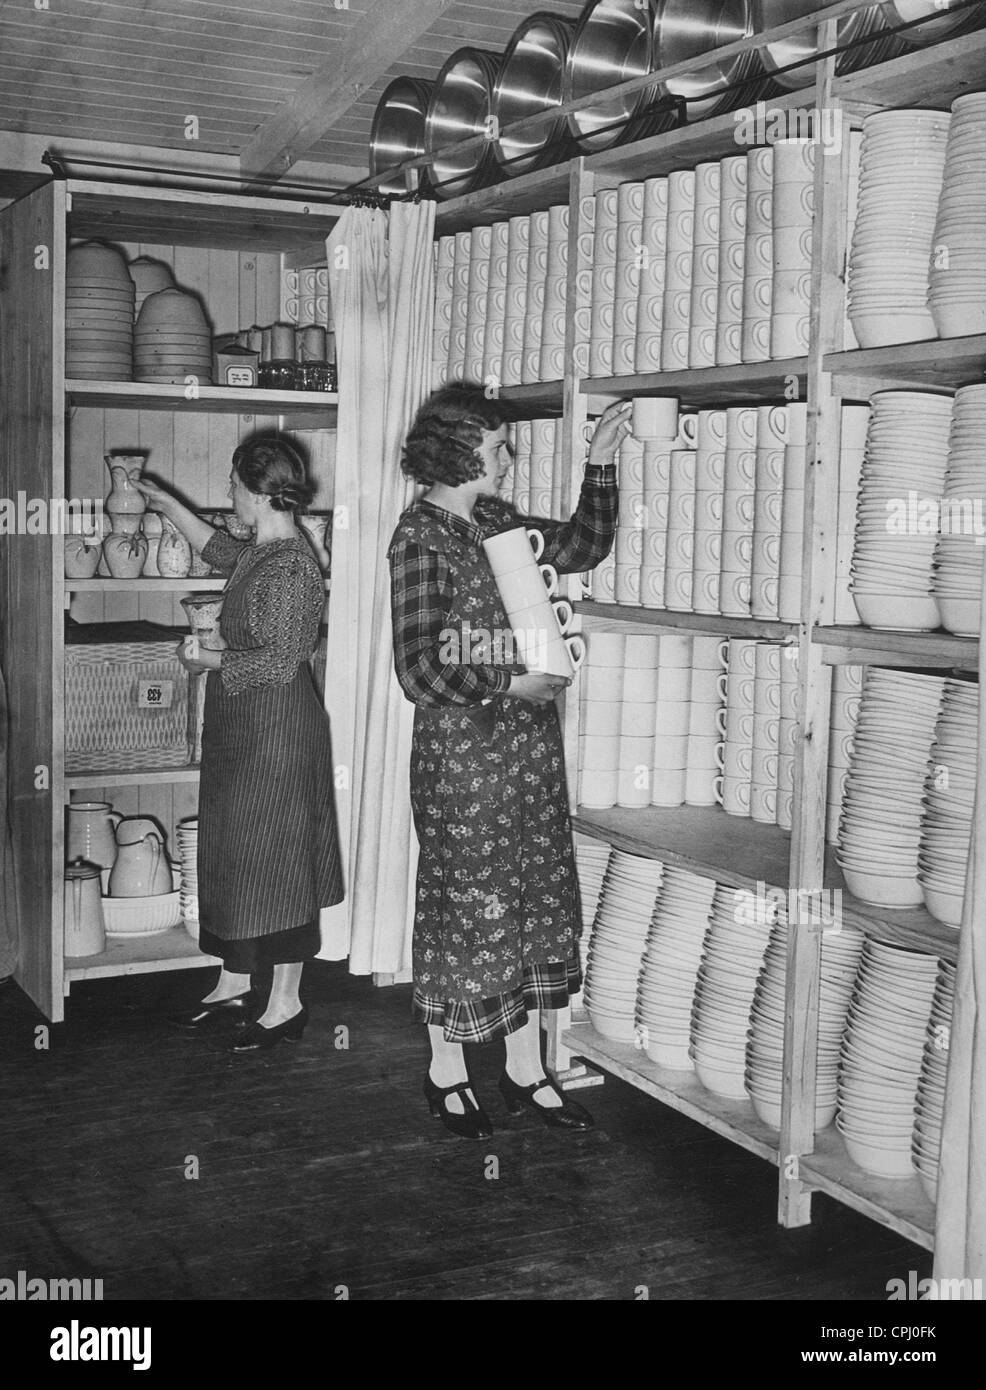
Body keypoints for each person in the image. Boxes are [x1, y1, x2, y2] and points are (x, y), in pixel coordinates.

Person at [388, 385, 631, 1138]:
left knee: (527, 899)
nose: (508, 458)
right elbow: (419, 671)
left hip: (524, 750)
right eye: (498, 447)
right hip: (463, 759)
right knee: (469, 910)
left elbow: (582, 547)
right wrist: (509, 680)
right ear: (458, 452)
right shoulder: (418, 539)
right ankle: (447, 1071)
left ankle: (526, 1073)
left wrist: (600, 463)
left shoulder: (493, 520)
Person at [137, 435, 342, 1052]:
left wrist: (208, 661)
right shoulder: (263, 551)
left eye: (233, 486)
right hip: (245, 728)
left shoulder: (293, 565)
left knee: (278, 862)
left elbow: (282, 662)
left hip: (277, 733)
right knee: (235, 856)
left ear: (258, 494)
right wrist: (166, 504)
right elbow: (218, 547)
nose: (228, 495)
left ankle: (286, 1004)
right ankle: (232, 986)